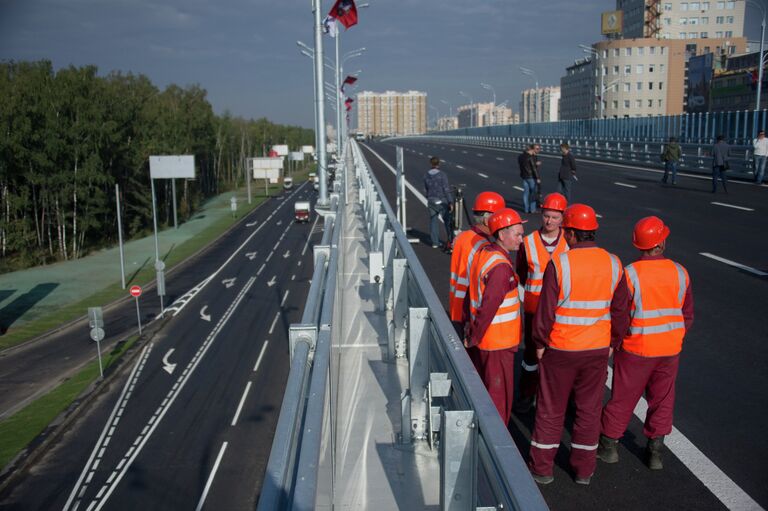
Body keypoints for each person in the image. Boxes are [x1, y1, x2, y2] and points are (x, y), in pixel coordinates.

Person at [528, 204, 630, 486]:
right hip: (596, 350)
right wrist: (613, 342)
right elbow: (621, 311)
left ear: (571, 233)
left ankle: (542, 468)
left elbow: (545, 312)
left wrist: (539, 342)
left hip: (560, 349)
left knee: (551, 408)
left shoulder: (560, 263)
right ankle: (584, 470)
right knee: (588, 409)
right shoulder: (613, 263)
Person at [598, 216, 693, 471]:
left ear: (639, 245)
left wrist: (615, 343)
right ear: (661, 243)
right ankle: (655, 452)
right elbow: (687, 314)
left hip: (636, 348)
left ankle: (609, 448)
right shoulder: (680, 271)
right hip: (669, 349)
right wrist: (675, 336)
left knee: (623, 398)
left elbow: (619, 315)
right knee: (662, 399)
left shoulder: (629, 274)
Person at [465, 208, 526, 424]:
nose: (521, 239)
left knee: (488, 394)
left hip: (488, 341)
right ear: (502, 235)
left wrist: (472, 332)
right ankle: (498, 450)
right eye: (517, 234)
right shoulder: (500, 267)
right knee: (499, 400)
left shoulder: (484, 253)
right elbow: (489, 306)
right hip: (497, 342)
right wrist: (474, 336)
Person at [514, 193, 569, 414]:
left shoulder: (569, 242)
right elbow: (521, 273)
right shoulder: (527, 242)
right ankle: (527, 393)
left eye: (554, 217)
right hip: (534, 309)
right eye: (546, 216)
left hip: (561, 311)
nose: (549, 221)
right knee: (530, 356)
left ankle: (555, 397)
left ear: (562, 218)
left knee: (558, 355)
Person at [449, 191, 506, 333]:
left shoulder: (465, 237)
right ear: (488, 220)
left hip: (457, 307)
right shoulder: (483, 247)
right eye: (500, 217)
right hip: (468, 313)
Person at [424, 156, 454, 249]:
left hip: (431, 201)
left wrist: (429, 198)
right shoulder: (442, 175)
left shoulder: (426, 175)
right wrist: (450, 202)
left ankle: (435, 243)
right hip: (442, 201)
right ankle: (451, 241)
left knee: (433, 221)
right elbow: (446, 189)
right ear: (439, 164)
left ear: (430, 163)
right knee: (447, 221)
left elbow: (425, 189)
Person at [518, 145, 539, 213]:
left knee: (525, 193)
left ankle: (526, 209)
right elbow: (533, 168)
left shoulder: (520, 156)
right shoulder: (530, 157)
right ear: (531, 150)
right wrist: (537, 177)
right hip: (531, 176)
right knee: (533, 193)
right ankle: (532, 209)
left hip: (524, 176)